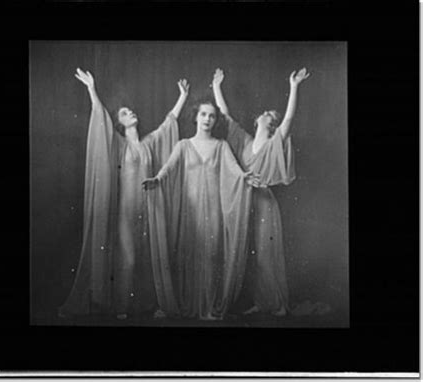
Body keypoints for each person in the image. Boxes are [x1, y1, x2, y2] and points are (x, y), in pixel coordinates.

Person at [59, 68, 189, 320]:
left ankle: (146, 306)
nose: (131, 113)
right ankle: (120, 308)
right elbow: (100, 119)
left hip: (149, 210)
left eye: (131, 111)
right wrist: (91, 90)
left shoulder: (149, 143)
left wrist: (182, 96)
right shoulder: (118, 143)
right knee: (128, 261)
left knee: (147, 260)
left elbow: (168, 124)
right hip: (125, 212)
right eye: (125, 113)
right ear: (121, 122)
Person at [142, 98, 261, 320]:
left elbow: (235, 170)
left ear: (216, 120)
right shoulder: (183, 145)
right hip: (190, 210)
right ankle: (189, 306)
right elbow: (168, 168)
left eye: (212, 115)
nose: (207, 119)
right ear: (195, 117)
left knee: (212, 254)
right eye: (204, 114)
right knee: (188, 254)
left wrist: (244, 177)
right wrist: (157, 180)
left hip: (214, 209)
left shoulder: (221, 145)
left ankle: (208, 309)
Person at [212, 67, 309, 316]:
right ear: (258, 121)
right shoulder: (244, 140)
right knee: (248, 256)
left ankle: (277, 304)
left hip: (264, 203)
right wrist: (216, 87)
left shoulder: (275, 142)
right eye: (265, 112)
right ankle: (261, 301)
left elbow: (289, 119)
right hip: (242, 201)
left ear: (272, 125)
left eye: (271, 115)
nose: (267, 114)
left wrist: (294, 86)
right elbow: (225, 115)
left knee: (265, 255)